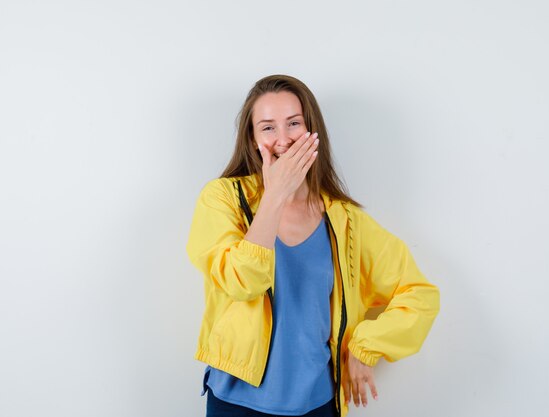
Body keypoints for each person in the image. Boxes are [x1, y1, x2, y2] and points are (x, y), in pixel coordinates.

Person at [186, 74, 440, 417]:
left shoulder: (347, 222)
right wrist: (275, 194)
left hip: (318, 404)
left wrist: (366, 348)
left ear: (312, 130)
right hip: (236, 402)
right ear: (252, 139)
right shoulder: (222, 199)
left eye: (293, 123)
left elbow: (419, 295)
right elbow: (241, 282)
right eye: (268, 128)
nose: (283, 139)